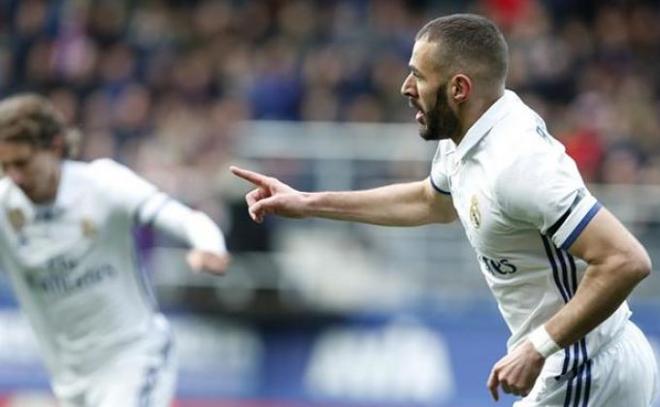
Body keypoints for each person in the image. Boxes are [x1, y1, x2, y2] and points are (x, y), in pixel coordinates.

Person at [231, 13, 659, 406]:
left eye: (418, 75)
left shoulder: (518, 164)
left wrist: (538, 346)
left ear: (458, 88)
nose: (405, 87)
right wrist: (307, 203)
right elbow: (428, 201)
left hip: (587, 365)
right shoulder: (468, 135)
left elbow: (626, 260)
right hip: (583, 361)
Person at [0, 93, 230, 406]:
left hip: (134, 357)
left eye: (23, 163)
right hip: (70, 379)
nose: (14, 176)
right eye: (5, 165)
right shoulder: (4, 207)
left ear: (54, 146)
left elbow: (187, 219)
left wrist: (209, 246)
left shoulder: (101, 184)